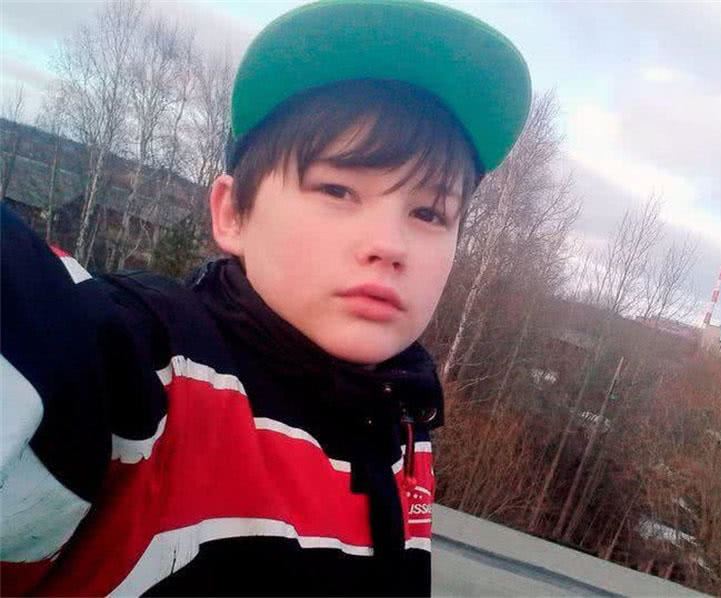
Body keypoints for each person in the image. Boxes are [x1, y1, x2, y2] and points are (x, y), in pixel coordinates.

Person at [0, 0, 530, 595]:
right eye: (337, 190)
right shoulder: (152, 374)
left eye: (429, 213)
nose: (389, 245)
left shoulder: (405, 426)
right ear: (233, 213)